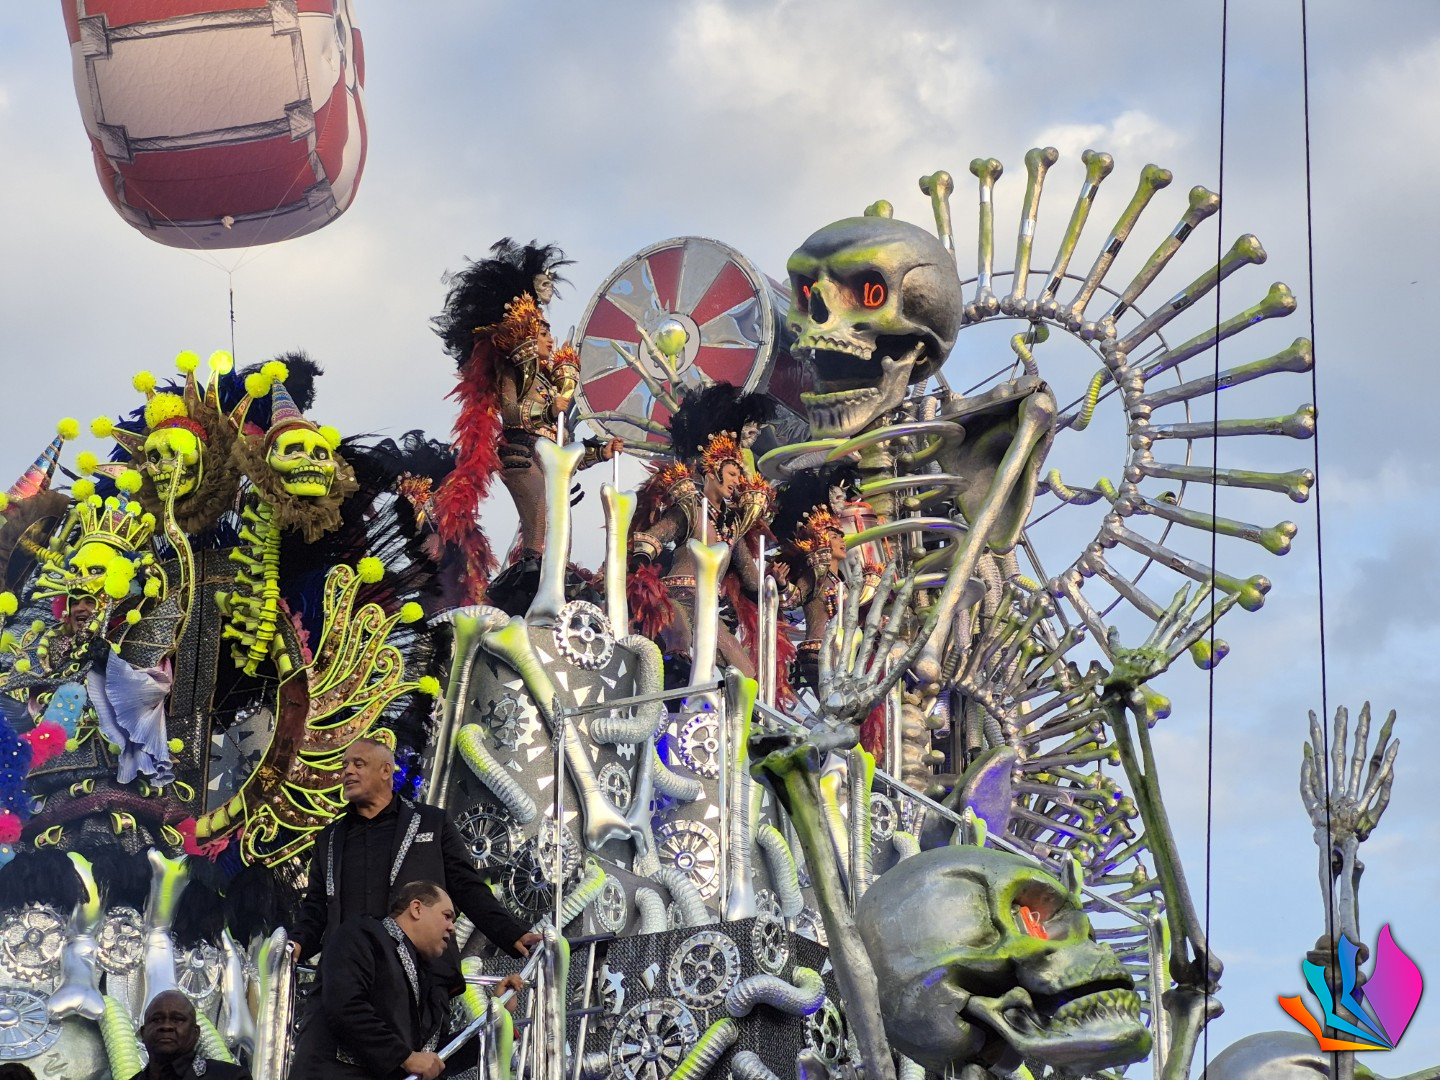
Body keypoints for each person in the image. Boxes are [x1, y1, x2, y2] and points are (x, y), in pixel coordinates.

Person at [289, 737, 537, 985]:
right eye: (345, 766)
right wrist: (296, 944)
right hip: (347, 976)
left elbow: (467, 887)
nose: (348, 771)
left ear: (386, 770)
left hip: (421, 973)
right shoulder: (330, 837)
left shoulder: (432, 822)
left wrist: (510, 934)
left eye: (358, 764)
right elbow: (317, 907)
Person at [288, 881, 522, 1080]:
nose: (452, 927)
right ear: (416, 908)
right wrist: (404, 1057)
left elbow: (436, 1059)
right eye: (447, 916)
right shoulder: (361, 935)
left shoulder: (429, 979)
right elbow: (344, 1004)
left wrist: (496, 1015)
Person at [127, 990, 251, 1080]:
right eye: (156, 1019)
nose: (166, 1026)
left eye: (177, 1019)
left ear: (195, 1033)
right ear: (143, 1033)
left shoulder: (231, 1077)